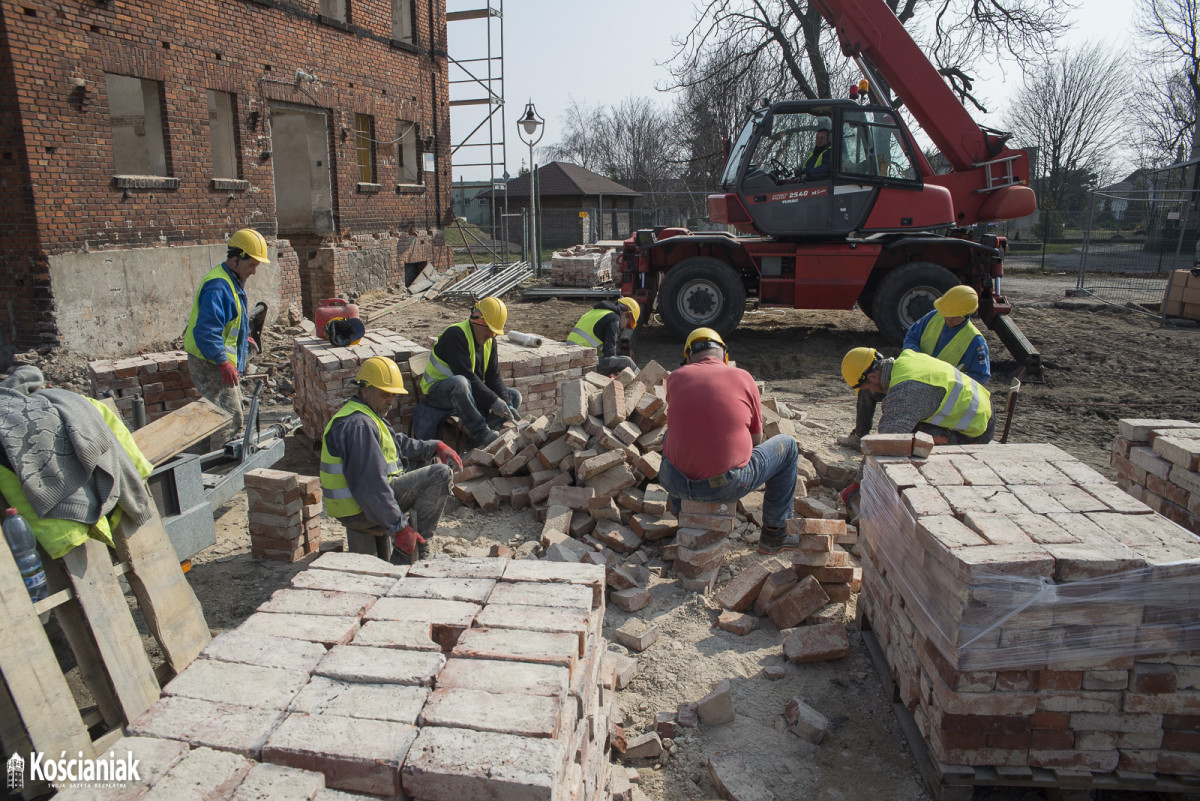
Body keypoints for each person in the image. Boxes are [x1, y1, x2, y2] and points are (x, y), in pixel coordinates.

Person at [657, 328, 801, 555]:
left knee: (669, 436)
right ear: (725, 355)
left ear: (687, 357)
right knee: (789, 446)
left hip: (674, 481)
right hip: (726, 485)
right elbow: (756, 440)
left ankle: (682, 513)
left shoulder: (675, 377)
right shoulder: (743, 376)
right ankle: (775, 533)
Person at [321, 356, 463, 565]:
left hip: (359, 503)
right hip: (360, 510)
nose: (390, 400)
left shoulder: (365, 413)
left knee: (428, 463)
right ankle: (413, 552)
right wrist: (400, 528)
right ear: (365, 390)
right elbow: (371, 486)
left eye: (393, 395)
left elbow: (397, 443)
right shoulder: (360, 426)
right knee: (440, 475)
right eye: (385, 394)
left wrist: (434, 446)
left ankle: (409, 545)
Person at [839, 285, 990, 450]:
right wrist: (919, 360)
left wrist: (946, 378)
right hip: (916, 378)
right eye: (945, 314)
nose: (947, 319)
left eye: (953, 317)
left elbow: (981, 377)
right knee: (867, 390)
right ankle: (859, 436)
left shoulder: (975, 341)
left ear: (966, 314)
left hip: (950, 404)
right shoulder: (934, 317)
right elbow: (911, 337)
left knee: (917, 438)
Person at [183, 228, 270, 438]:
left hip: (215, 361)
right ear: (235, 259)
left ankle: (206, 462)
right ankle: (226, 469)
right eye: (251, 265)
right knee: (229, 421)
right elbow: (206, 331)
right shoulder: (219, 287)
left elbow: (229, 321)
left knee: (221, 416)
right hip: (211, 363)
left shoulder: (230, 280)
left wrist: (242, 338)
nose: (254, 271)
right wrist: (223, 363)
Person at [418, 296, 521, 447]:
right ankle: (481, 433)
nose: (491, 335)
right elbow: (466, 375)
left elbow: (494, 376)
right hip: (438, 393)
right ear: (477, 320)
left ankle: (476, 445)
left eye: (495, 332)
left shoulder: (490, 342)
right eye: (489, 329)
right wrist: (493, 401)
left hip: (465, 394)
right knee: (460, 382)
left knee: (514, 396)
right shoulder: (456, 335)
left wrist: (507, 403)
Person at [840, 347, 994, 446]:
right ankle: (859, 437)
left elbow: (886, 444)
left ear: (873, 377)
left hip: (977, 428)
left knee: (915, 442)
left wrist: (860, 484)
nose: (872, 392)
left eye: (867, 387)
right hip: (979, 403)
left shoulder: (906, 394)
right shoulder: (906, 359)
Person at [567, 297, 640, 375]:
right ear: (626, 315)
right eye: (628, 324)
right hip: (580, 360)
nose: (625, 327)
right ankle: (644, 381)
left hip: (569, 356)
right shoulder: (614, 319)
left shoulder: (595, 312)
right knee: (627, 362)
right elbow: (610, 354)